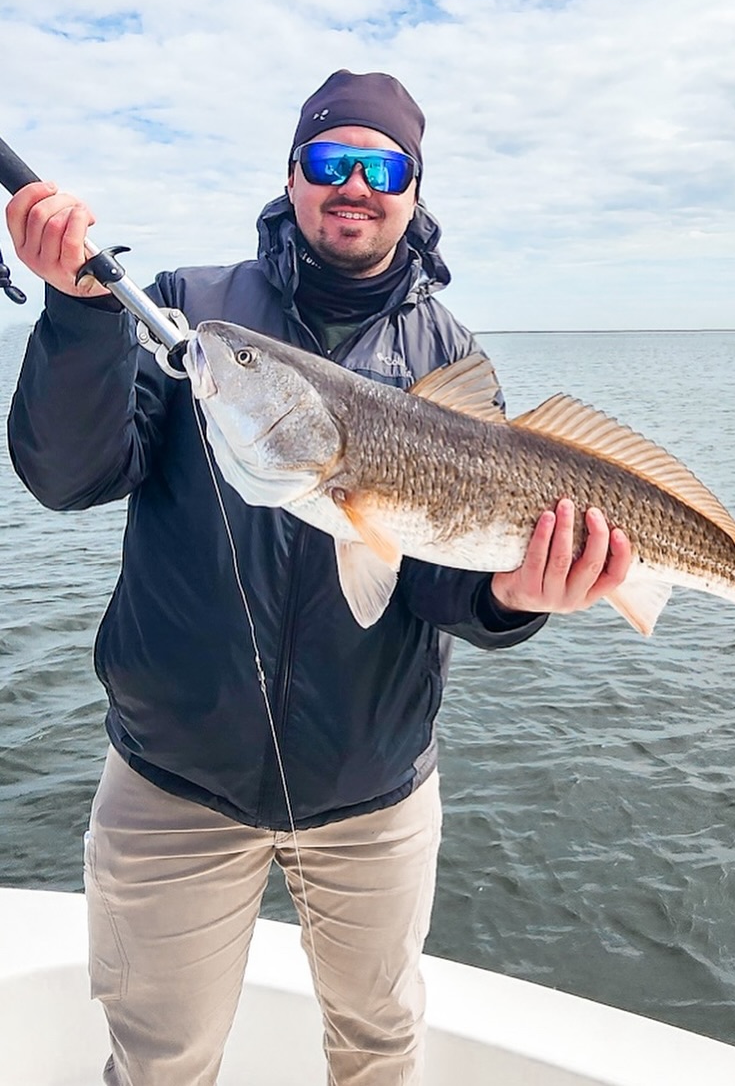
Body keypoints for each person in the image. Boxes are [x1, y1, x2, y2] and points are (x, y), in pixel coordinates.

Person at [5, 70, 631, 1086]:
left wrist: (512, 598)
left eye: (382, 165)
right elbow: (68, 475)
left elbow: (438, 576)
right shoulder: (194, 317)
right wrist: (80, 318)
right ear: (291, 175)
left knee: (377, 1051)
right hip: (174, 780)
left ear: (413, 190)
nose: (355, 183)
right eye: (330, 159)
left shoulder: (450, 359)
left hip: (372, 791)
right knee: (158, 1065)